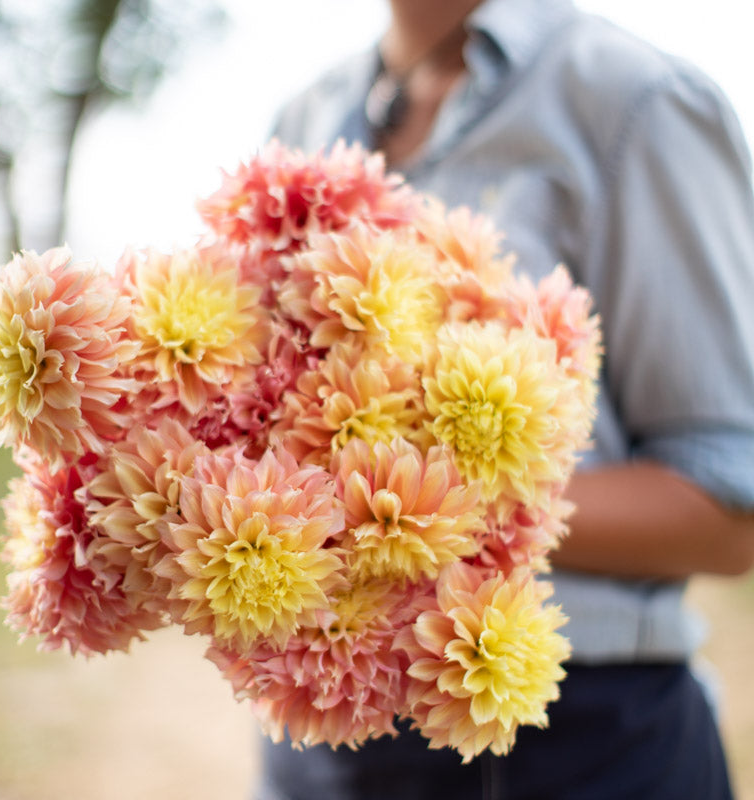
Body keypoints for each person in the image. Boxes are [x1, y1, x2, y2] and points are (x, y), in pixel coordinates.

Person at [257, 0, 754, 797]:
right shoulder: (306, 118)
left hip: (572, 742)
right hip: (323, 744)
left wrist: (418, 512)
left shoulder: (637, 100)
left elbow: (729, 510)